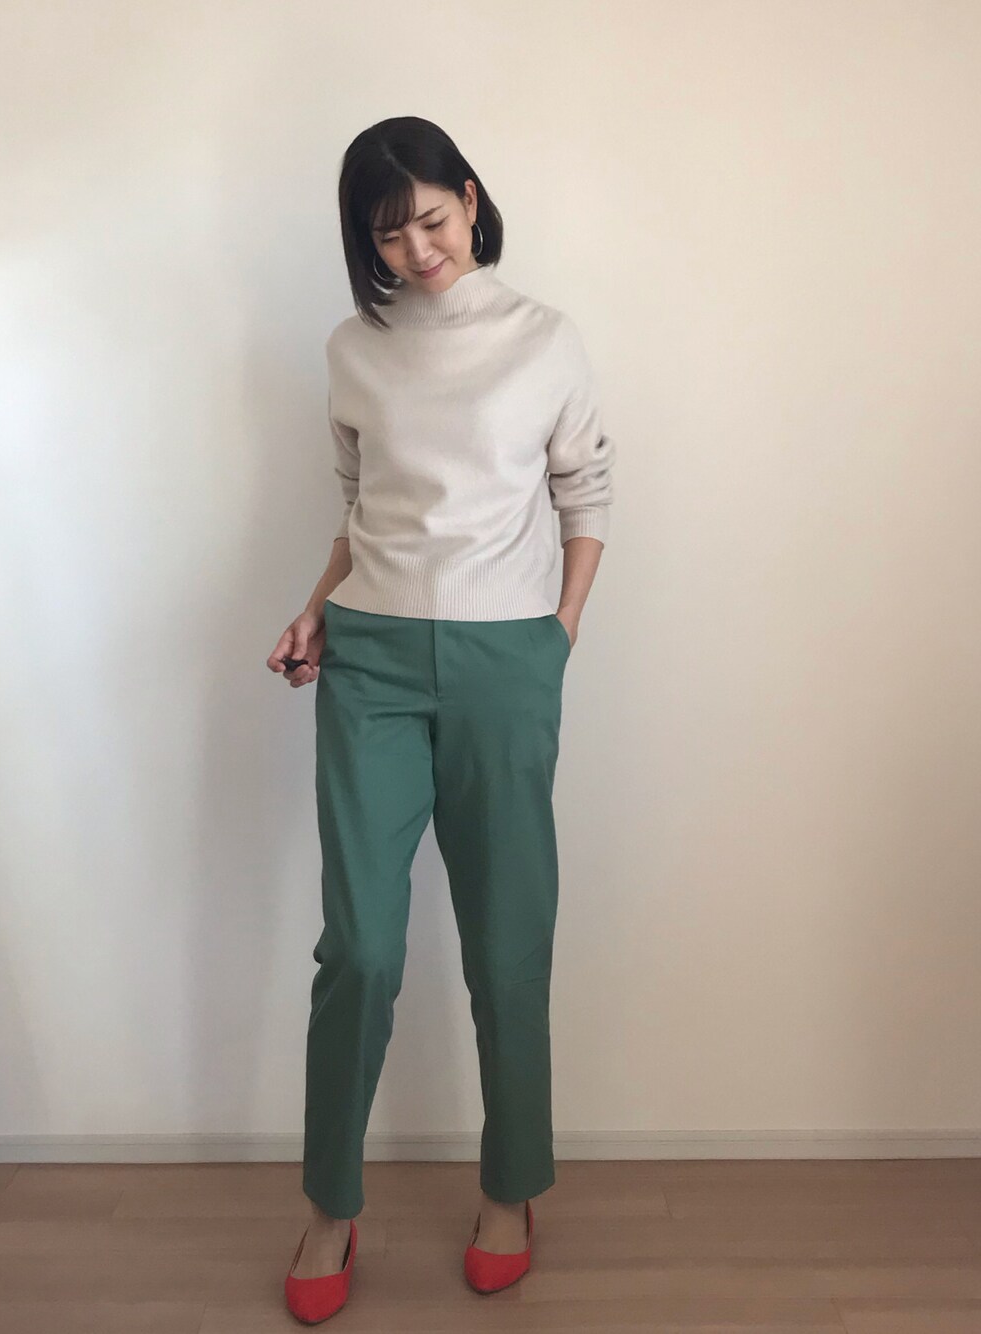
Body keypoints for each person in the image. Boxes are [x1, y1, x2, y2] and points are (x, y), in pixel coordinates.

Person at [268, 115, 616, 1323]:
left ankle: (511, 1188)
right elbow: (360, 506)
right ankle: (330, 1201)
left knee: (507, 943)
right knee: (359, 948)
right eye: (388, 234)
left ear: (469, 198)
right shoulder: (352, 349)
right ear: (362, 242)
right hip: (368, 657)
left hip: (505, 658)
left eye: (431, 218)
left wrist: (556, 633)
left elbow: (585, 491)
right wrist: (315, 607)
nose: (417, 249)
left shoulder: (544, 339)